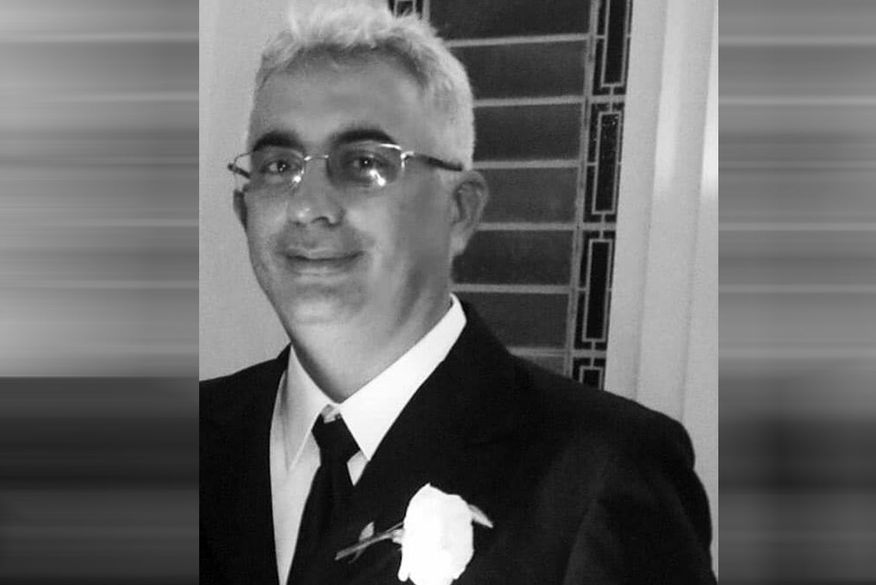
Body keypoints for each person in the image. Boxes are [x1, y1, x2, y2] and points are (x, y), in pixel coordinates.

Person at [200, 3, 716, 584]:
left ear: (460, 210)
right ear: (244, 209)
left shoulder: (598, 473)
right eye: (278, 166)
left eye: (364, 163)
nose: (309, 206)